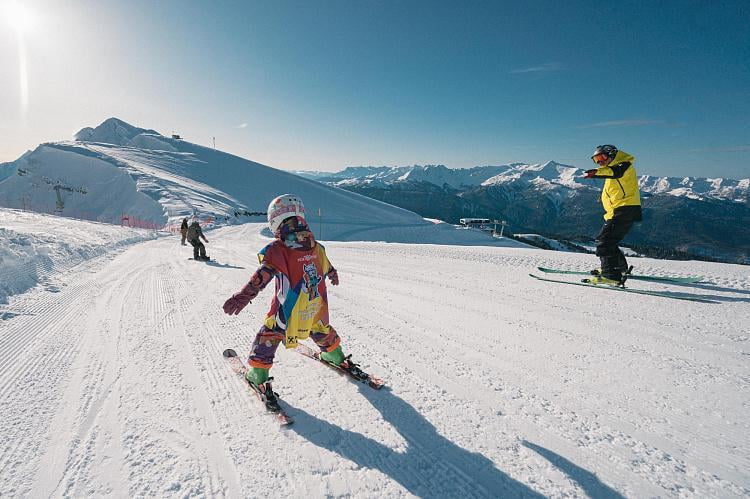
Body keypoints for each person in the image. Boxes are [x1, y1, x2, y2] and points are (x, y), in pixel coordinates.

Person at [222, 194, 355, 400]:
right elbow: (325, 265)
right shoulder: (314, 244)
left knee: (269, 334)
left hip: (289, 310)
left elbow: (262, 277)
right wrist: (332, 273)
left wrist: (242, 296)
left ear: (274, 220)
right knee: (320, 328)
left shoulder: (277, 250)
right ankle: (336, 357)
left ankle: (258, 376)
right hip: (315, 306)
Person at [583, 144, 642, 284]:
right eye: (596, 159)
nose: (600, 162)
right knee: (609, 241)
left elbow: (615, 172)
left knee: (604, 241)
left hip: (624, 210)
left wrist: (596, 173)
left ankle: (611, 275)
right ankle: (618, 268)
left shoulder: (623, 165)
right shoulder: (614, 168)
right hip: (618, 210)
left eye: (602, 157)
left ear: (612, 155)